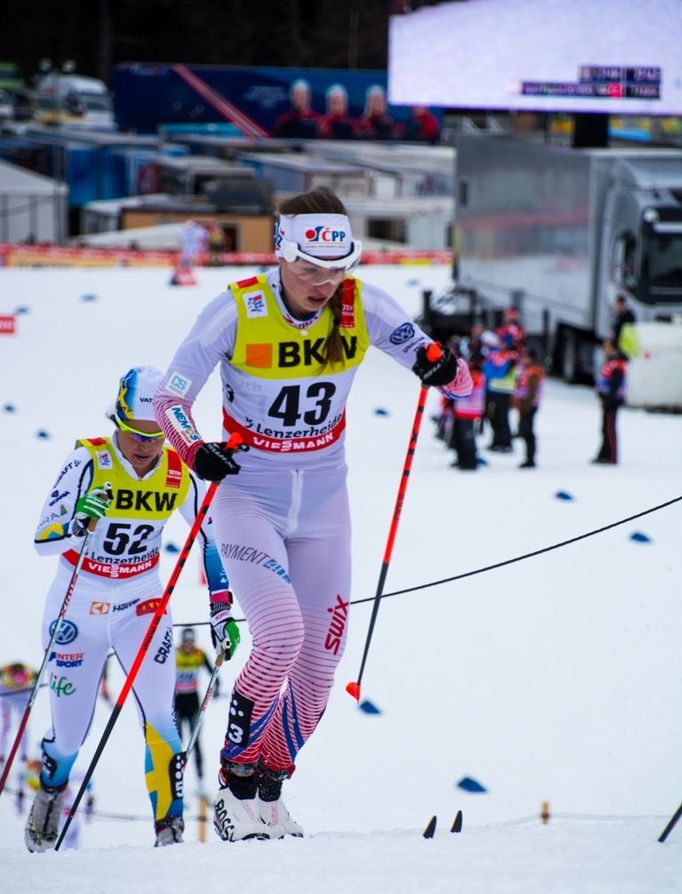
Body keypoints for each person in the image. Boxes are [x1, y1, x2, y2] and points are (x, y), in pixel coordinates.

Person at [152, 186, 472, 843]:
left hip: (326, 500)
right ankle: (235, 787)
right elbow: (171, 395)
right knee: (278, 634)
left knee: (323, 661)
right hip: (250, 495)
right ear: (281, 252)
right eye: (308, 267)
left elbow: (453, 375)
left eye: (336, 267)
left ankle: (271, 789)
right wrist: (194, 448)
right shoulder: (238, 309)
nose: (323, 282)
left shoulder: (363, 306)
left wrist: (445, 370)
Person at [25, 366, 236, 852]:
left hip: (139, 604)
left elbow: (212, 537)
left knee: (162, 719)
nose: (145, 445)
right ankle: (52, 789)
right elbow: (42, 539)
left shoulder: (178, 469)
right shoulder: (89, 460)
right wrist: (79, 521)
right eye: (136, 432)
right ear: (117, 421)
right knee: (71, 736)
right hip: (76, 607)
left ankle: (169, 833)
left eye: (156, 434)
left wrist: (221, 607)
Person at [174, 626, 219, 792]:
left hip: (194, 703)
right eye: (185, 642)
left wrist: (217, 688)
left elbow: (213, 672)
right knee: (177, 744)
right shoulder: (174, 655)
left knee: (196, 742)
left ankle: (200, 781)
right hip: (178, 704)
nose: (188, 645)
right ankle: (176, 778)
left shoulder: (199, 654)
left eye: (190, 642)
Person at [591, 339, 628, 464]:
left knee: (610, 429)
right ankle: (604, 454)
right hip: (607, 399)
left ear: (613, 348)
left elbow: (616, 384)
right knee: (604, 428)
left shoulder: (617, 364)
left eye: (606, 347)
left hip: (612, 401)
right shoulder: (610, 362)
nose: (604, 350)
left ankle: (612, 456)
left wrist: (609, 397)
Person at [450, 351, 486, 470]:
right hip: (461, 410)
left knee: (467, 437)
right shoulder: (470, 374)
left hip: (469, 411)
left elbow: (468, 390)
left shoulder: (477, 375)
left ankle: (470, 461)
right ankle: (462, 459)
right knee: (460, 436)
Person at [484, 334, 519, 452]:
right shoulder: (494, 355)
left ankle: (506, 442)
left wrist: (492, 372)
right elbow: (487, 369)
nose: (501, 345)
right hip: (492, 390)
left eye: (503, 343)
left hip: (504, 392)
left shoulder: (512, 358)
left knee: (503, 418)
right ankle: (496, 441)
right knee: (492, 417)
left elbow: (499, 372)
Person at [512, 345, 545, 469]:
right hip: (524, 405)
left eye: (526, 357)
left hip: (529, 406)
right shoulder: (525, 369)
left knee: (528, 431)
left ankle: (530, 458)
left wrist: (526, 405)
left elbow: (532, 391)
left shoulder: (534, 371)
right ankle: (528, 457)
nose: (524, 359)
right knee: (525, 431)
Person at [0, 662, 37, 769]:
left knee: (23, 727)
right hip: (7, 695)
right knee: (7, 726)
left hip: (22, 696)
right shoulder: (4, 677)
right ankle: (1, 755)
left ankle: (23, 756)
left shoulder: (29, 677)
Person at [612, 294, 638, 358]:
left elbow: (627, 332)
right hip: (618, 346)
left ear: (621, 304)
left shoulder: (629, 316)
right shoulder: (619, 316)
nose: (615, 307)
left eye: (616, 305)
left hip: (624, 347)